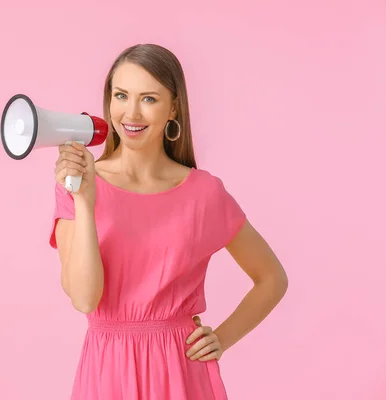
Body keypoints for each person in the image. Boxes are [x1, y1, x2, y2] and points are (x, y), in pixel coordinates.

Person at [49, 43, 288, 400]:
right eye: (121, 95)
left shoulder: (204, 193)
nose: (131, 113)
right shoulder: (77, 185)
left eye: (148, 99)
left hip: (180, 370)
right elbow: (84, 299)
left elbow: (272, 278)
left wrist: (222, 338)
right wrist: (85, 202)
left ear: (173, 106)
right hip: (106, 370)